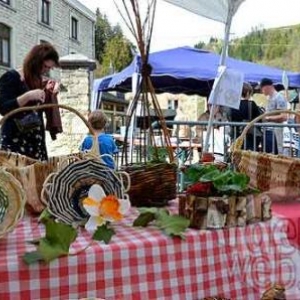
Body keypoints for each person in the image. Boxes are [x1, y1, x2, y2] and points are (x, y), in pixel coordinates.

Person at [0, 43, 60, 161]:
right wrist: (27, 96)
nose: (46, 71)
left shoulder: (37, 80)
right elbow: (3, 108)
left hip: (35, 144)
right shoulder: (12, 77)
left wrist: (49, 95)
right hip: (15, 144)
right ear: (35, 62)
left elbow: (36, 112)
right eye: (45, 67)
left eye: (49, 68)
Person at [229, 82, 262, 151]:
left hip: (236, 136)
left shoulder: (232, 106)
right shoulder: (252, 104)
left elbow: (230, 119)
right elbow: (259, 120)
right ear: (248, 93)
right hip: (250, 137)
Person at [260, 78, 287, 154]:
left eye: (262, 88)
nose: (262, 91)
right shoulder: (269, 98)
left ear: (266, 87)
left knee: (277, 152)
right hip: (268, 131)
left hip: (276, 131)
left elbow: (284, 116)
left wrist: (268, 118)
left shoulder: (279, 97)